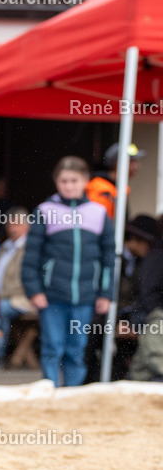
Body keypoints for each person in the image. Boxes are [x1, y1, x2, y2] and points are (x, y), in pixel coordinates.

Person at [22, 156, 114, 387]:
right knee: (53, 345)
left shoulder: (99, 212)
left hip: (85, 295)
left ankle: (72, 393)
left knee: (77, 347)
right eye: (64, 180)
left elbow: (108, 256)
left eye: (74, 180)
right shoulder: (44, 211)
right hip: (52, 294)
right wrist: (34, 290)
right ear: (56, 182)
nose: (69, 185)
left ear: (85, 181)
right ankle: (49, 391)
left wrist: (106, 293)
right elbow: (31, 255)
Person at [0, 207, 33, 362]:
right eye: (10, 225)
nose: (13, 228)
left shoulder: (30, 249)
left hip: (21, 299)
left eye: (17, 224)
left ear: (28, 226)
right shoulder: (5, 247)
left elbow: (25, 282)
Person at [123, 216, 163, 381]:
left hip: (154, 317)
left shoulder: (154, 258)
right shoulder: (150, 258)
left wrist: (136, 323)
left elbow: (147, 295)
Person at [87, 142, 146, 220]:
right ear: (118, 163)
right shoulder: (99, 186)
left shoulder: (120, 186)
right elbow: (100, 220)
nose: (137, 166)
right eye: (133, 162)